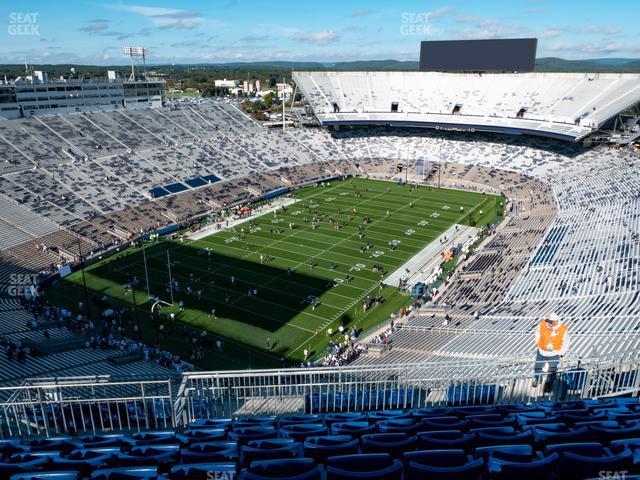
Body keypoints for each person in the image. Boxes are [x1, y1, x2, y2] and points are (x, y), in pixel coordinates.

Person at [533, 313, 570, 389]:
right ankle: (537, 379)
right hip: (542, 351)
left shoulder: (562, 329)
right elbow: (537, 333)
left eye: (551, 322)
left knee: (552, 369)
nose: (549, 323)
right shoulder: (542, 324)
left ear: (556, 321)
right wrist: (538, 343)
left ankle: (549, 384)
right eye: (549, 321)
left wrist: (561, 352)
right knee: (538, 367)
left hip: (554, 353)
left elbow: (566, 342)